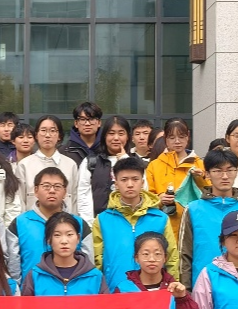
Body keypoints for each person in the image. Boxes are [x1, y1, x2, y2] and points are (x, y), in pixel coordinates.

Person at [94, 156, 177, 292]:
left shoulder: (160, 218)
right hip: (115, 290)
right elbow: (98, 260)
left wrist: (173, 288)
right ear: (116, 183)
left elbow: (172, 256)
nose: (130, 184)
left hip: (154, 292)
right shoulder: (103, 220)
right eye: (124, 180)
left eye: (135, 179)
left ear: (142, 182)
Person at [178, 149, 238, 289]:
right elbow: (184, 254)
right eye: (218, 171)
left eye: (230, 170)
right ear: (207, 174)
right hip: (202, 287)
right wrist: (186, 292)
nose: (225, 176)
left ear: (237, 172)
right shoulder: (193, 209)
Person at [3, 167, 92, 282]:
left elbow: (88, 263)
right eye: (46, 186)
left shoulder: (79, 224)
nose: (52, 191)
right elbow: (13, 265)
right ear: (36, 190)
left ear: (65, 192)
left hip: (71, 289)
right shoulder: (20, 223)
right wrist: (18, 289)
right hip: (31, 289)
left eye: (57, 186)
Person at [145, 118, 205, 236]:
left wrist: (201, 178)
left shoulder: (199, 164)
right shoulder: (154, 165)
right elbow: (146, 196)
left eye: (181, 136)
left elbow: (209, 193)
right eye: (172, 138)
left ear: (188, 136)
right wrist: (159, 199)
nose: (177, 141)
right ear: (165, 139)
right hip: (164, 225)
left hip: (192, 225)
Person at [16, 116, 79, 211]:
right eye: (43, 130)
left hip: (64, 219)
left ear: (59, 136)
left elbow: (74, 199)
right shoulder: (24, 165)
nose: (48, 135)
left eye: (53, 131)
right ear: (36, 135)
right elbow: (20, 200)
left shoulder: (70, 165)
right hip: (33, 219)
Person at [75, 114, 131, 223]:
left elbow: (142, 192)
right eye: (111, 133)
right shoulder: (91, 162)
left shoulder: (136, 162)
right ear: (104, 136)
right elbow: (83, 196)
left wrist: (125, 160)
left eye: (121, 133)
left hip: (128, 223)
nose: (116, 138)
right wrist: (90, 224)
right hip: (98, 223)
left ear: (128, 136)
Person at [62, 101, 103, 167]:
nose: (87, 124)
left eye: (91, 119)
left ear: (99, 123)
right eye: (83, 119)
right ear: (76, 123)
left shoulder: (107, 148)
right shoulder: (65, 151)